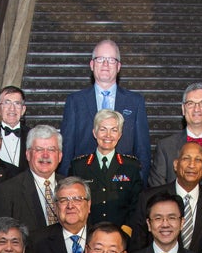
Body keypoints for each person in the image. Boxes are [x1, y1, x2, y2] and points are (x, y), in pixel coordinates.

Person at [59, 39, 150, 180]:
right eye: (100, 59)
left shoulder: (135, 102)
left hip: (123, 185)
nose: (105, 64)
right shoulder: (75, 101)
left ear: (119, 66)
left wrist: (138, 187)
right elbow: (66, 149)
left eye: (111, 60)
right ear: (92, 64)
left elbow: (143, 151)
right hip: (84, 185)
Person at [130, 141, 202, 252]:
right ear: (175, 165)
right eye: (186, 158)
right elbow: (138, 245)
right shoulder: (149, 198)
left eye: (198, 160)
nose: (192, 165)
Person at [70, 109, 143, 228]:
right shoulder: (79, 166)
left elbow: (136, 206)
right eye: (103, 129)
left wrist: (125, 232)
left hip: (120, 235)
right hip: (88, 233)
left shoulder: (131, 166)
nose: (108, 135)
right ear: (94, 133)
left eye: (113, 130)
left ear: (119, 135)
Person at [0, 124, 64, 237]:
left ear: (60, 156)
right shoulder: (6, 191)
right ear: (28, 154)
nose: (45, 155)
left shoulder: (71, 187)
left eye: (51, 149)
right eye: (39, 149)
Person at [29, 177, 92, 253]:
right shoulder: (36, 242)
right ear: (55, 207)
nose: (70, 206)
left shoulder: (102, 238)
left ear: (88, 205)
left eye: (77, 199)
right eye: (63, 200)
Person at [0, 86, 29, 170]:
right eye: (7, 103)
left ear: (23, 109)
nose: (12, 108)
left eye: (17, 103)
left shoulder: (32, 135)